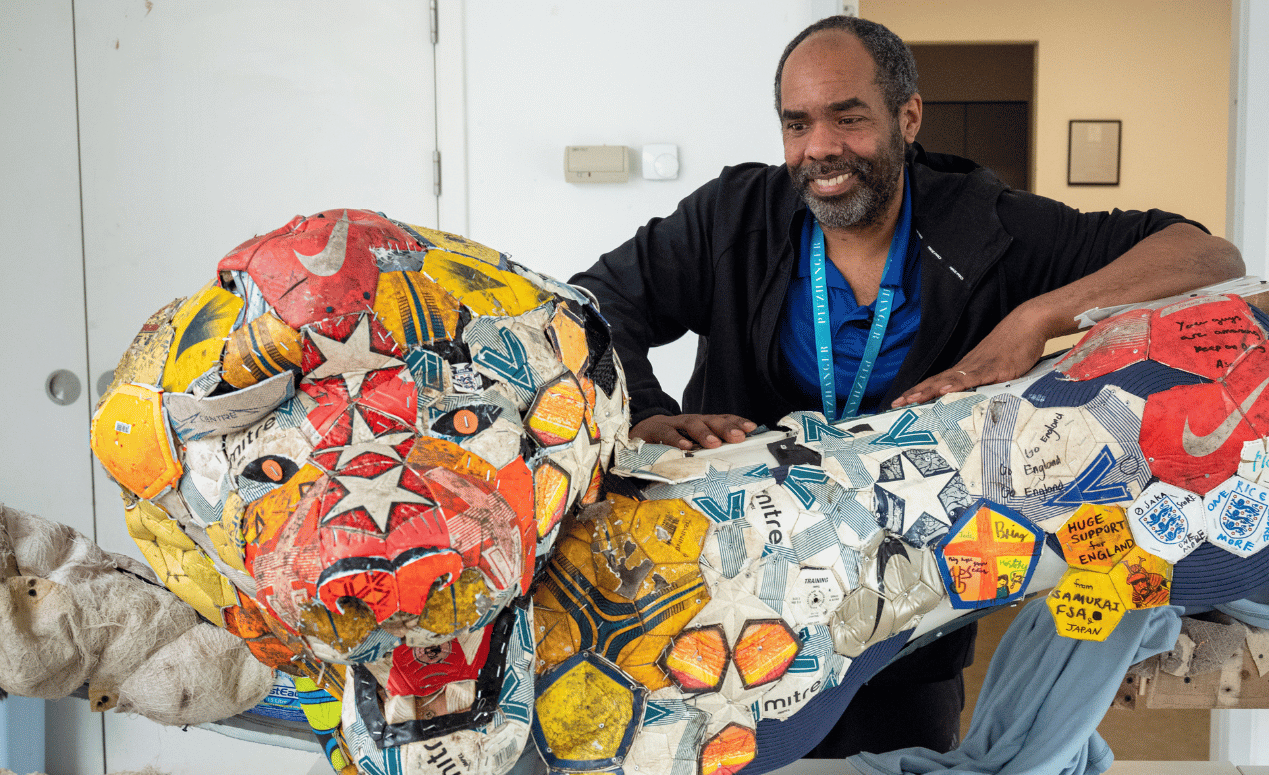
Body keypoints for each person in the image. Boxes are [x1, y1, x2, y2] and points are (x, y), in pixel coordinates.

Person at [571, 15, 1243, 758]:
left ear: (907, 117)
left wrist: (1035, 317)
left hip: (906, 636)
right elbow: (590, 310)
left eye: (847, 117)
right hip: (731, 619)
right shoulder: (735, 217)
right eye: (796, 124)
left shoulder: (984, 226)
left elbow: (1203, 254)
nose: (819, 147)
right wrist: (646, 413)